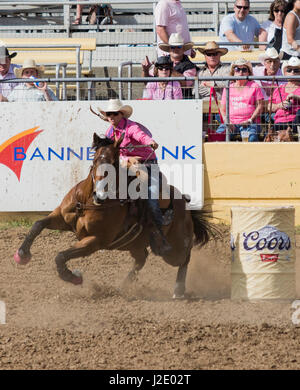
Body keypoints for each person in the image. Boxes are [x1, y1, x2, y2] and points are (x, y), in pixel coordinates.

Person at [98, 98, 172, 255]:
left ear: (121, 114)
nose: (111, 117)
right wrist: (127, 159)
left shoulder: (131, 127)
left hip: (146, 164)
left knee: (151, 196)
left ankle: (159, 236)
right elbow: (113, 153)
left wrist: (150, 142)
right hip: (126, 165)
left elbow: (141, 137)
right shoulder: (110, 132)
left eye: (114, 114)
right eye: (109, 114)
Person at [216, 59, 264, 141]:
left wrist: (250, 120)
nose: (240, 72)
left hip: (250, 123)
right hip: (231, 122)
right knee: (218, 137)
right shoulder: (228, 87)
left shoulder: (254, 86)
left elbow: (260, 106)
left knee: (251, 138)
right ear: (233, 73)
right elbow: (222, 108)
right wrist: (227, 121)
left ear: (249, 72)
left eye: (244, 70)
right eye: (237, 69)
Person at [142, 33, 196, 98]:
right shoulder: (161, 61)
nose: (176, 49)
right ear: (169, 49)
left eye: (179, 46)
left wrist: (168, 68)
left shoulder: (190, 66)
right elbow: (147, 82)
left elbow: (185, 84)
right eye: (172, 47)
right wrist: (145, 70)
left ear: (183, 49)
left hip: (183, 100)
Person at [267, 56, 300, 132]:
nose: (292, 72)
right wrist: (279, 105)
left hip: (295, 122)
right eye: (289, 70)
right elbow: (269, 106)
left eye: (296, 70)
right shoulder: (279, 88)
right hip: (279, 122)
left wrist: (296, 97)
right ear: (285, 72)